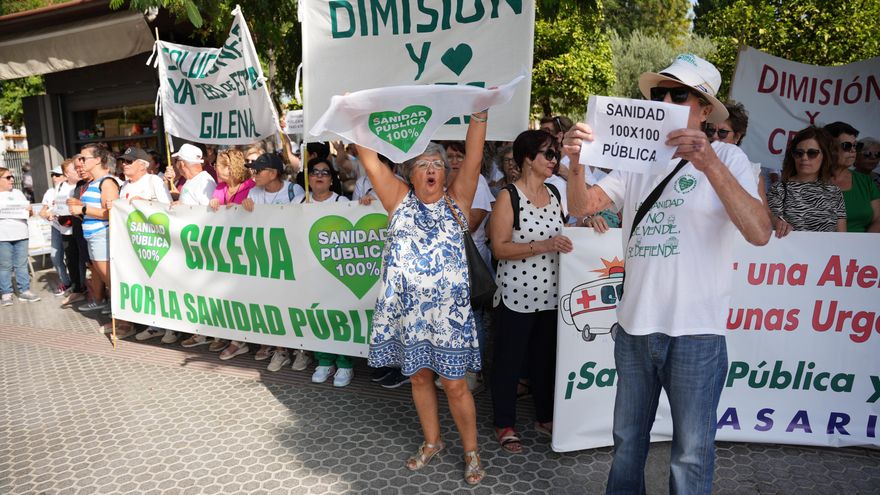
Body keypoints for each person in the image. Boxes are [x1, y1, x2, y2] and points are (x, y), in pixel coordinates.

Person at [563, 54, 771, 494]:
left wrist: (708, 162)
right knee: (626, 443)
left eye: (680, 94)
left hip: (697, 331)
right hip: (635, 328)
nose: (667, 101)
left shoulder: (731, 158)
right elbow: (582, 207)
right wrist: (576, 166)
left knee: (692, 451)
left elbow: (758, 232)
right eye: (661, 93)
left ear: (703, 108)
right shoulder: (637, 157)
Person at [360, 108, 488, 485]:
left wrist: (478, 116)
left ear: (446, 174)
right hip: (408, 314)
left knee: (454, 384)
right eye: (424, 164)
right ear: (410, 174)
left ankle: (471, 451)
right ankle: (433, 441)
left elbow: (475, 157)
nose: (432, 168)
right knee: (418, 379)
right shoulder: (397, 199)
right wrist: (354, 116)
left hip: (448, 316)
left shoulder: (458, 200)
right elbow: (369, 162)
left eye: (438, 164)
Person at [488, 130, 572, 454]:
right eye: (548, 154)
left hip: (551, 295)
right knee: (508, 363)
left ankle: (545, 416)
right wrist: (544, 246)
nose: (554, 161)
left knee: (544, 360)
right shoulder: (508, 197)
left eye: (556, 155)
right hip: (516, 296)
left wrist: (589, 226)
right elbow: (499, 248)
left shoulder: (554, 193)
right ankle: (504, 422)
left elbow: (564, 234)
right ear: (528, 158)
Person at [242, 152, 308, 371]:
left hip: (292, 259)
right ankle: (280, 351)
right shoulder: (254, 192)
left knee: (295, 305)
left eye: (258, 171)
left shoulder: (294, 190)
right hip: (267, 260)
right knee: (272, 305)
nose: (254, 175)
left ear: (273, 173)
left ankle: (301, 350)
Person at [294, 159, 354, 386]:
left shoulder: (343, 201)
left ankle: (345, 364)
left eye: (325, 172)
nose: (319, 175)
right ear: (309, 177)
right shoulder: (297, 201)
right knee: (317, 315)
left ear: (332, 179)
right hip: (308, 271)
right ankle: (324, 360)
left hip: (335, 270)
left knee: (339, 316)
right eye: (315, 172)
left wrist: (367, 204)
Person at [205, 149, 256, 356]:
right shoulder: (220, 187)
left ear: (231, 167)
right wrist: (213, 203)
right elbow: (215, 206)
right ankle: (235, 337)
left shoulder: (251, 187)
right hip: (227, 251)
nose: (215, 168)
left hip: (248, 250)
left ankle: (243, 340)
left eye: (219, 165)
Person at [66, 144, 120, 315]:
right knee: (106, 278)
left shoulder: (107, 182)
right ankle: (119, 317)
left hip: (102, 235)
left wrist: (82, 209)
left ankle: (124, 322)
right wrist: (81, 208)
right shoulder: (94, 183)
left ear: (97, 160)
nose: (80, 162)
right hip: (92, 235)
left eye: (83, 158)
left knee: (112, 281)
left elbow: (111, 213)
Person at [767, 127, 846, 236]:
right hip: (789, 253)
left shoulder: (834, 191)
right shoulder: (778, 189)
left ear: (825, 156)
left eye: (812, 153)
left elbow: (842, 236)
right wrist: (777, 223)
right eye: (798, 153)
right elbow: (771, 221)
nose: (804, 157)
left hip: (827, 252)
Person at [824, 122, 880, 233]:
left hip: (863, 247)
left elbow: (878, 220)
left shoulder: (866, 181)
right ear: (829, 148)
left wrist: (863, 245)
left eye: (856, 145)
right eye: (846, 146)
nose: (853, 150)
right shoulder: (812, 181)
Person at [0, 167, 40, 305]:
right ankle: (6, 293)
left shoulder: (18, 193)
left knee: (21, 265)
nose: (12, 180)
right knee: (5, 266)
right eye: (8, 177)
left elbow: (29, 214)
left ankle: (25, 291)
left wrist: (30, 210)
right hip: (3, 236)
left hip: (21, 234)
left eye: (12, 177)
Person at [39, 164, 75, 296]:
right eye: (52, 175)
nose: (54, 177)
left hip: (71, 227)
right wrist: (47, 215)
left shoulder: (72, 189)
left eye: (57, 175)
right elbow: (42, 211)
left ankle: (78, 284)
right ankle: (66, 283)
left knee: (73, 259)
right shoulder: (50, 192)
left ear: (65, 176)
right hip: (56, 227)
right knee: (55, 257)